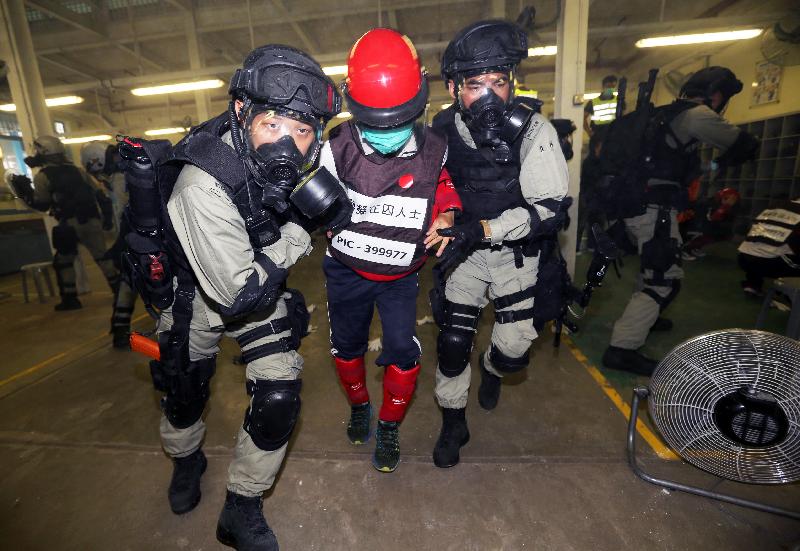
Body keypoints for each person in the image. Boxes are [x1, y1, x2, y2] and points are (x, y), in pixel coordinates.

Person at [121, 45, 348, 550]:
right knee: (184, 394)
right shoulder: (201, 182)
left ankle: (241, 507)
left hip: (252, 275)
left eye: (302, 131)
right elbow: (239, 294)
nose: (286, 145)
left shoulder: (292, 162)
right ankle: (186, 460)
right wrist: (300, 233)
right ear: (243, 113)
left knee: (279, 393)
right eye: (273, 125)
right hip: (199, 293)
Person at [320, 28, 461, 473]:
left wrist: (449, 214)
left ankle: (389, 426)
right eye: (375, 122)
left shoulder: (435, 149)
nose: (387, 133)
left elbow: (443, 187)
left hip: (400, 276)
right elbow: (311, 197)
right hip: (346, 271)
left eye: (398, 121)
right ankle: (360, 405)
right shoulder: (335, 145)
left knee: (402, 350)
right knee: (346, 347)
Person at [430, 20, 569, 468]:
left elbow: (548, 210)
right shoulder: (441, 129)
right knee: (452, 342)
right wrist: (446, 214)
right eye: (475, 85)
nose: (489, 95)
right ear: (454, 88)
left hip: (515, 254)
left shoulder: (534, 131)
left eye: (499, 82)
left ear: (512, 83)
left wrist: (484, 229)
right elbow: (433, 183)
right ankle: (453, 422)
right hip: (465, 254)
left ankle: (491, 370)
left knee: (513, 353)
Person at [601, 66, 759, 375]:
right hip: (654, 209)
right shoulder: (697, 115)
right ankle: (622, 349)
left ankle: (647, 316)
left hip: (632, 206)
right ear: (716, 95)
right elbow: (745, 144)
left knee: (653, 266)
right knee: (664, 280)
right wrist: (722, 161)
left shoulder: (664, 114)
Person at [22, 136, 119, 311]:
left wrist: (26, 195)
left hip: (69, 224)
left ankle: (70, 299)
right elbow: (100, 195)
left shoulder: (42, 176)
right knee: (103, 257)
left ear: (44, 152)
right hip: (92, 221)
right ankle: (120, 291)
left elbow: (42, 203)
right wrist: (107, 219)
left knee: (64, 261)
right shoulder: (78, 171)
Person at [81, 141, 137, 348]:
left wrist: (121, 244)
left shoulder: (120, 178)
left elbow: (124, 214)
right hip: (152, 234)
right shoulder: (129, 169)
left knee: (128, 281)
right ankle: (120, 326)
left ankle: (120, 328)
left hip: (139, 237)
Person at [738, 198, 800, 296]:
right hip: (769, 263)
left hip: (743, 257)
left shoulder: (777, 205)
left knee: (760, 248)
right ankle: (786, 295)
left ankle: (753, 284)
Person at [680, 187, 740, 260]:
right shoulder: (710, 204)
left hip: (701, 226)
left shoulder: (727, 207)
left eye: (734, 199)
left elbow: (725, 223)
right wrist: (724, 208)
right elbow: (711, 219)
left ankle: (694, 248)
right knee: (706, 232)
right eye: (730, 198)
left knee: (723, 234)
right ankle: (684, 250)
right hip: (690, 226)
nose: (732, 201)